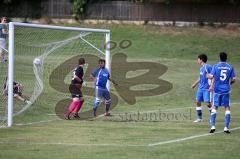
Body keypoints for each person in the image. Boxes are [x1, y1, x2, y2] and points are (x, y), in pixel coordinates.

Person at [207, 52, 236, 133]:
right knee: (227, 107)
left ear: (219, 58)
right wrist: (228, 84)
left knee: (214, 107)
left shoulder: (216, 66)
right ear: (226, 58)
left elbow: (211, 76)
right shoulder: (230, 67)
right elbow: (234, 79)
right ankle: (226, 127)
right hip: (226, 90)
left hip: (217, 90)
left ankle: (213, 126)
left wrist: (208, 75)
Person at [191, 54, 212, 122]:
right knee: (197, 102)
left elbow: (213, 76)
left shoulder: (208, 67)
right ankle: (199, 118)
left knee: (208, 103)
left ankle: (213, 116)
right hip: (200, 88)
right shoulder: (201, 68)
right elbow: (200, 77)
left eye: (198, 59)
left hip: (206, 88)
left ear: (201, 59)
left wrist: (212, 85)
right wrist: (195, 84)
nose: (197, 60)